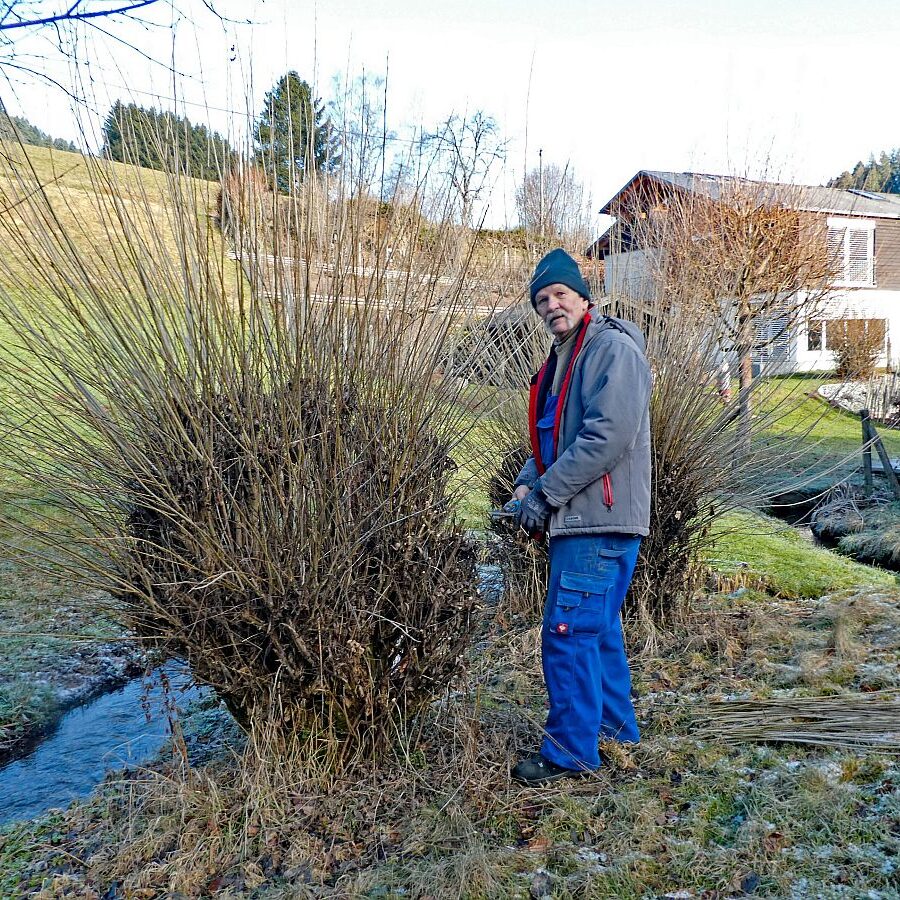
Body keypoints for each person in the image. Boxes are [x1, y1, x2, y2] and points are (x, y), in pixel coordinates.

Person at [510, 248, 652, 786]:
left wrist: (545, 495)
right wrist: (529, 479)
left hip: (597, 518)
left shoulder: (609, 350)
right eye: (542, 300)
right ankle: (614, 731)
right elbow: (556, 436)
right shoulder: (566, 355)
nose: (551, 305)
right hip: (591, 517)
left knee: (567, 634)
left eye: (560, 294)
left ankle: (570, 753)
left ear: (583, 296)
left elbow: (604, 438)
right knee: (598, 631)